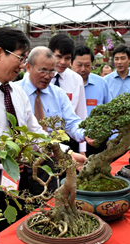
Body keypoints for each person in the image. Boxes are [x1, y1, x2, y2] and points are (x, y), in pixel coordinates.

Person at [0, 27, 85, 232]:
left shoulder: (16, 92)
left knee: (16, 231)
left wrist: (66, 154)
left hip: (17, 176)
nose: (23, 66)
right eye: (20, 58)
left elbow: (35, 132)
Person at [17, 46, 93, 194]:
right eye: (43, 70)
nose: (48, 76)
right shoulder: (15, 92)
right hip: (21, 162)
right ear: (28, 67)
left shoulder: (58, 94)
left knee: (47, 200)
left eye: (52, 71)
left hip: (50, 159)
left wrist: (85, 134)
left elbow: (72, 122)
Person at [48, 34, 88, 155]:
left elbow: (81, 114)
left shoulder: (76, 79)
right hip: (43, 139)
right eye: (58, 57)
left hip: (69, 138)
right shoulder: (38, 77)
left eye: (67, 58)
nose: (62, 62)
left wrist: (82, 149)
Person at [71, 45, 111, 156]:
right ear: (71, 63)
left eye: (87, 65)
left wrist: (111, 139)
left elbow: (109, 112)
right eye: (79, 65)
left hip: (95, 139)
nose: (83, 69)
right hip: (70, 138)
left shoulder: (101, 83)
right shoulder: (62, 84)